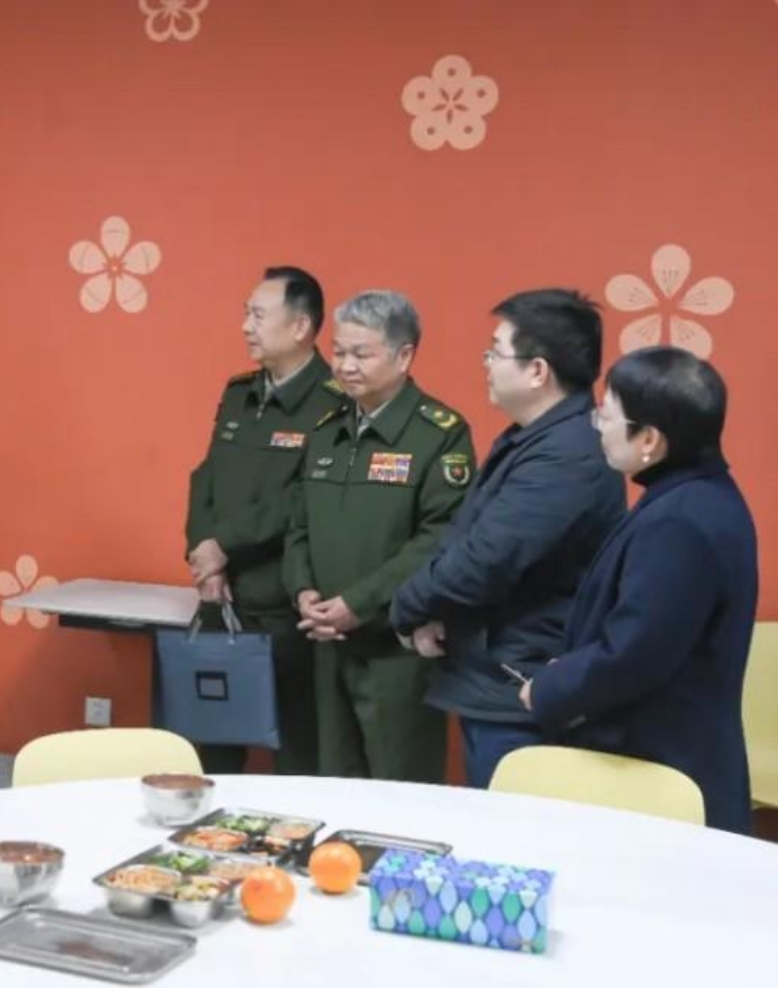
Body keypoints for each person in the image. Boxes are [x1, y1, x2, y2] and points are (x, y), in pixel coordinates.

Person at [390, 290, 624, 787]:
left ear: (538, 371)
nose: (487, 364)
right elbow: (467, 533)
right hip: (496, 673)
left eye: (495, 352)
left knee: (517, 827)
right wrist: (433, 608)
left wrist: (407, 607)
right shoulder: (534, 436)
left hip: (522, 686)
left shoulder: (567, 455)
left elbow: (487, 558)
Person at [522, 347, 757, 834]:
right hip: (670, 753)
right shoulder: (700, 495)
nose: (599, 427)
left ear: (649, 439)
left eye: (606, 416)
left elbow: (635, 652)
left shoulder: (679, 522)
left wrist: (551, 687)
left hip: (662, 770)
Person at [282, 289, 474, 782]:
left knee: (400, 790)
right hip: (326, 644)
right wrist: (303, 591)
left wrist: (359, 603)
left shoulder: (439, 433)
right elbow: (299, 524)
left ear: (403, 356)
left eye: (361, 354)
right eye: (339, 351)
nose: (345, 366)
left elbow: (440, 537)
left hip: (396, 651)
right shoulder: (327, 429)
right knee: (333, 785)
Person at [184, 266, 346, 774]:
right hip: (221, 599)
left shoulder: (335, 401)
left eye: (257, 315)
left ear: (300, 327)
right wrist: (204, 555)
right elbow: (206, 477)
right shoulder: (239, 392)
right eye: (245, 314)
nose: (245, 327)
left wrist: (225, 543)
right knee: (211, 751)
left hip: (283, 606)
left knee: (296, 755)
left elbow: (306, 496)